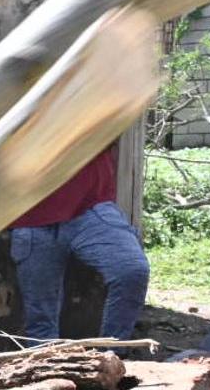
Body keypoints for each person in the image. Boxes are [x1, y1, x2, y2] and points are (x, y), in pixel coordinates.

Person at [8, 144, 150, 341]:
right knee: (40, 324)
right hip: (30, 217)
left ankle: (113, 352)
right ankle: (45, 360)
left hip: (91, 207)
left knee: (131, 270)